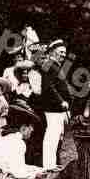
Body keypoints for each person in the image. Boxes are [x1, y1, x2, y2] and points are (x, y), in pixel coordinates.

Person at [40, 39, 71, 170]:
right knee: (51, 135)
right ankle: (48, 164)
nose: (63, 55)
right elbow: (49, 87)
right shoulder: (49, 64)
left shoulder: (55, 65)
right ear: (52, 52)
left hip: (57, 108)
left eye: (64, 53)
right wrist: (61, 101)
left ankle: (52, 163)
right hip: (52, 107)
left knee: (56, 135)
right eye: (60, 52)